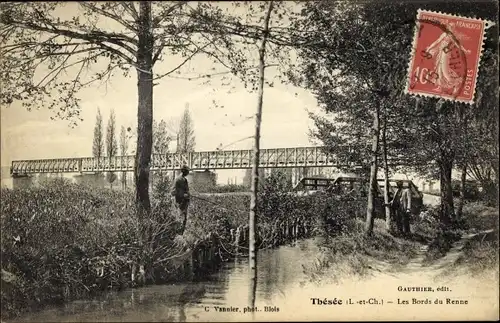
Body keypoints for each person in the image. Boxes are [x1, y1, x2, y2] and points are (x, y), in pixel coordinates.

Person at [171, 165, 190, 234]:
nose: (188, 173)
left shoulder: (184, 179)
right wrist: (183, 195)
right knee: (180, 218)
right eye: (187, 171)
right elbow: (173, 192)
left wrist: (187, 195)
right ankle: (178, 234)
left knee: (184, 219)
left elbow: (186, 190)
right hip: (179, 203)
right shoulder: (178, 179)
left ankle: (181, 233)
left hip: (185, 203)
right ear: (184, 171)